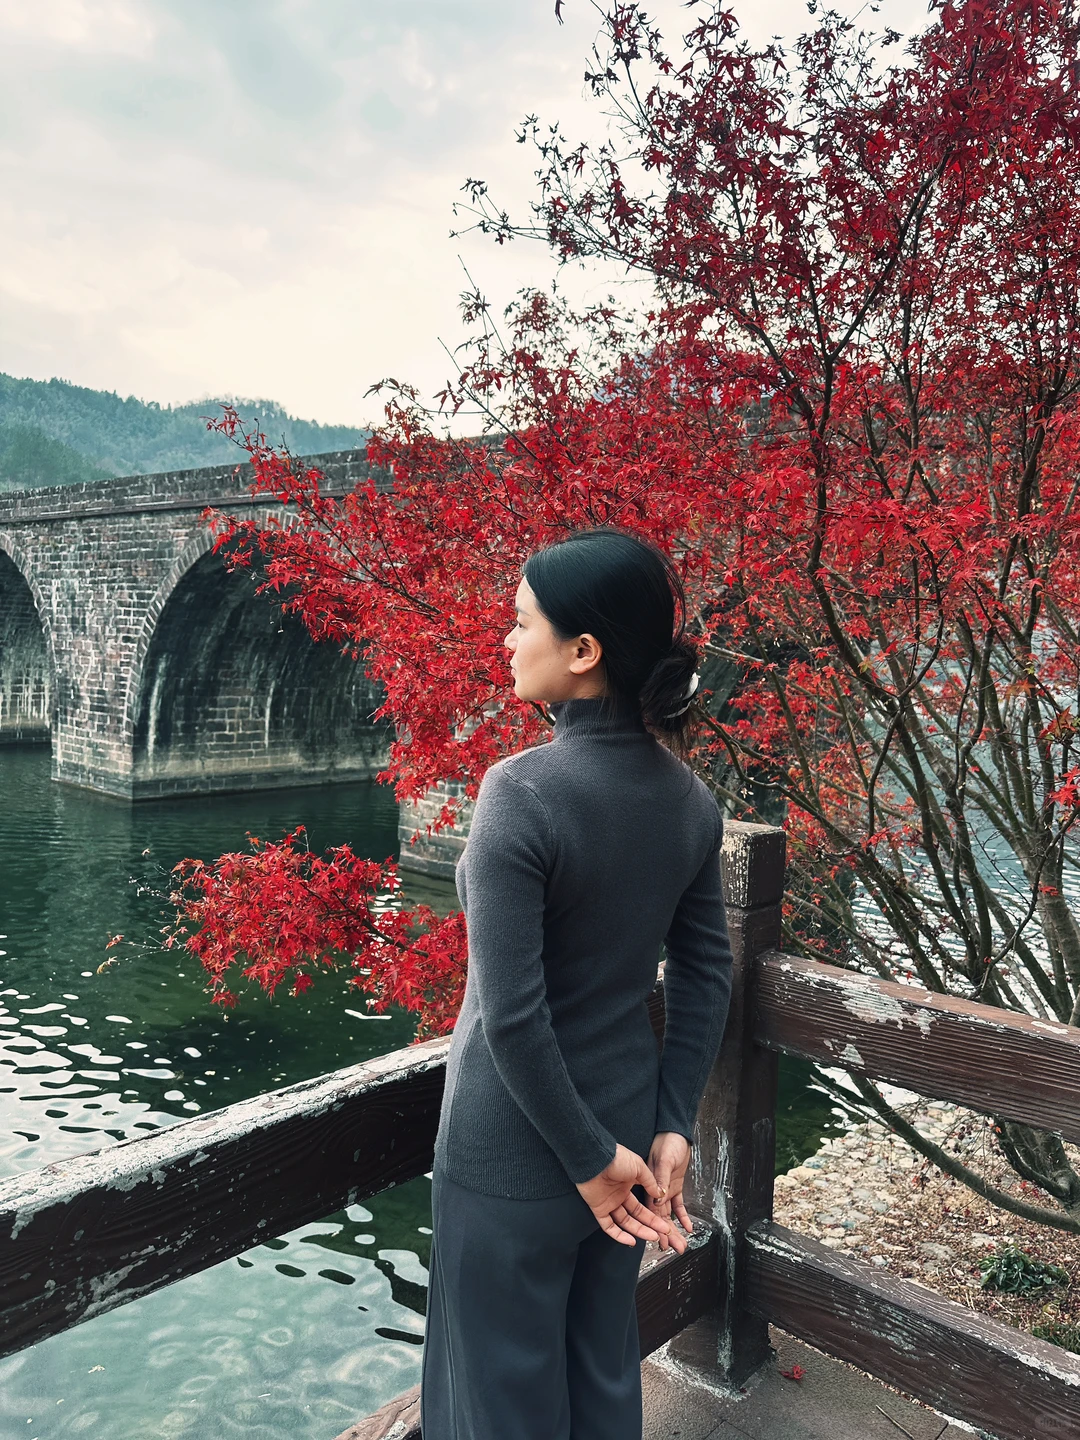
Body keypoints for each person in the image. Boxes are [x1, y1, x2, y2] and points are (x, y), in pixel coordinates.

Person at [420, 525, 735, 1440]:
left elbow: (513, 1019)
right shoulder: (688, 800)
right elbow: (708, 971)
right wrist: (670, 1120)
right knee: (601, 1379)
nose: (506, 641)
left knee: (495, 1403)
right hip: (630, 1140)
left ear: (584, 651)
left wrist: (589, 1164)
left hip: (516, 1154)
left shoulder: (521, 792)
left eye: (522, 623)